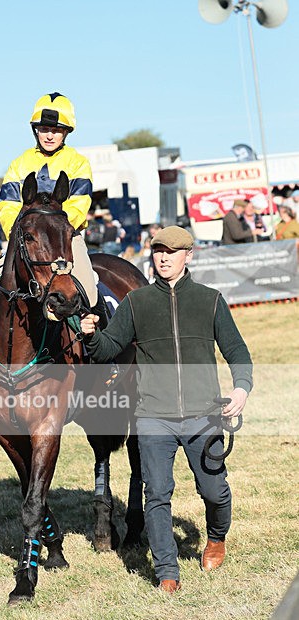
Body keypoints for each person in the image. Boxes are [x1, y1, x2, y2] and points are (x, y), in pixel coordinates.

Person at [80, 226, 253, 593]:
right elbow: (107, 348)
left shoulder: (210, 300)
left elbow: (237, 351)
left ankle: (217, 537)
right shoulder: (136, 303)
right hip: (153, 415)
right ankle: (167, 571)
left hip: (204, 414)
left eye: (171, 251)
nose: (163, 257)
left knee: (215, 491)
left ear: (188, 255)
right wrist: (91, 335)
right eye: (158, 250)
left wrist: (241, 389)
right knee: (157, 493)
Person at [0, 92, 99, 310]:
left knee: (89, 293)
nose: (50, 135)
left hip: (66, 240)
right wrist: (18, 235)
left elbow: (79, 204)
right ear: (36, 131)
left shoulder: (78, 163)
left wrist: (51, 231)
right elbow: (7, 204)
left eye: (56, 130)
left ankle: (96, 338)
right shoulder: (18, 164)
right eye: (44, 129)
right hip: (25, 240)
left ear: (65, 133)